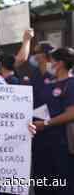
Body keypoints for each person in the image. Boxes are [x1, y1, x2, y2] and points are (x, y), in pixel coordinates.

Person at [31, 48, 74, 195]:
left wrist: (46, 124)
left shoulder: (71, 83)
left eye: (51, 61)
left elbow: (71, 113)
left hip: (60, 145)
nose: (49, 64)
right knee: (42, 183)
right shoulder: (49, 82)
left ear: (60, 63)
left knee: (61, 184)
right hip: (41, 143)